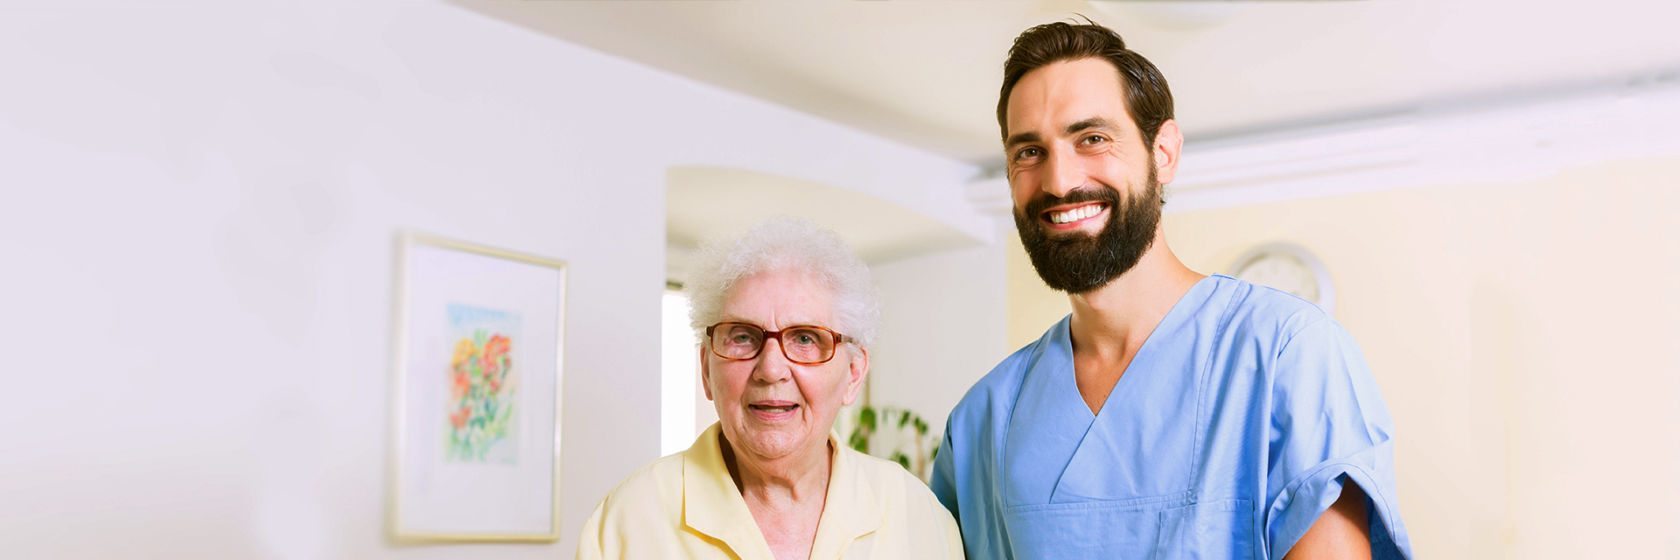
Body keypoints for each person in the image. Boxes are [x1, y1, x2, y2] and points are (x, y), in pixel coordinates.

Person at [929, 21, 1413, 559]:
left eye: (1092, 138)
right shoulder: (983, 421)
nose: (1060, 181)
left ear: (1164, 152)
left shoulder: (1286, 354)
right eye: (1029, 152)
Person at [577, 218, 964, 560]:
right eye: (743, 336)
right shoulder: (626, 523)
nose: (771, 368)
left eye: (806, 339)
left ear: (853, 373)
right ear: (706, 370)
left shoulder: (919, 517)